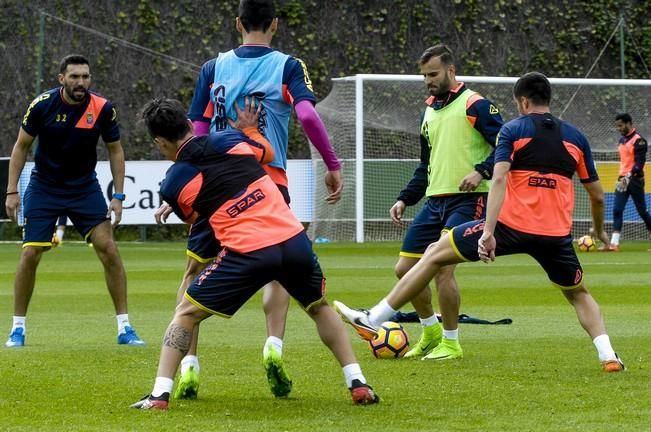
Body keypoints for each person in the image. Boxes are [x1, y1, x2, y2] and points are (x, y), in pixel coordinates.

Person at [334, 72, 625, 373]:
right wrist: (599, 230)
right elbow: (597, 195)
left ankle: (375, 318)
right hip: (555, 236)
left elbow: (498, 178)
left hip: (509, 228)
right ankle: (609, 356)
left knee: (434, 253)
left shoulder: (513, 130)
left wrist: (488, 232)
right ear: (547, 99)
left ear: (522, 101)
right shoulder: (575, 138)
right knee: (578, 293)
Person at [131, 98, 377, 410]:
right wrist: (249, 129)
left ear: (159, 141)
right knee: (318, 306)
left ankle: (159, 395)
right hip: (293, 241)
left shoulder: (174, 181)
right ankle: (358, 382)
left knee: (186, 314)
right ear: (190, 124)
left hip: (248, 252)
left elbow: (193, 217)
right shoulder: (230, 138)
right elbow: (268, 154)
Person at [155, 0, 343, 400]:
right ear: (274, 24)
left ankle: (188, 365)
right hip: (266, 180)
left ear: (237, 22)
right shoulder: (288, 66)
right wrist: (331, 163)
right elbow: (308, 117)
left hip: (213, 186)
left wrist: (184, 185)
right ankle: (273, 345)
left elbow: (198, 130)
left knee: (192, 275)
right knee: (279, 268)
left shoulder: (213, 67)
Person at [4, 54, 144, 347]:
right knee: (31, 254)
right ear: (61, 79)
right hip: (44, 186)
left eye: (85, 77)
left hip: (84, 188)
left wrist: (118, 196)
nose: (81, 82)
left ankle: (125, 328)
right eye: (74, 77)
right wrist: (12, 190)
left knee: (109, 248)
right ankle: (17, 329)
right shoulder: (42, 105)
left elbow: (115, 150)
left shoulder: (103, 108)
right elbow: (21, 147)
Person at [379, 44, 503, 360]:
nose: (427, 80)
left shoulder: (476, 105)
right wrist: (405, 198)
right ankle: (431, 330)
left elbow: (506, 146)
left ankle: (451, 342)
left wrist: (480, 172)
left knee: (442, 270)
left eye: (432, 74)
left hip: (469, 201)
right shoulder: (429, 111)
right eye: (424, 75)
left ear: (450, 70)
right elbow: (426, 165)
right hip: (434, 202)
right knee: (404, 268)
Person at [599, 113, 651, 251]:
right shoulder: (622, 140)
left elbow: (640, 163)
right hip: (622, 180)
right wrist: (623, 177)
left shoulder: (639, 141)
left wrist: (629, 175)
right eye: (617, 126)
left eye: (621, 125)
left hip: (635, 180)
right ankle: (614, 244)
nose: (619, 128)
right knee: (617, 209)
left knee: (642, 212)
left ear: (629, 123)